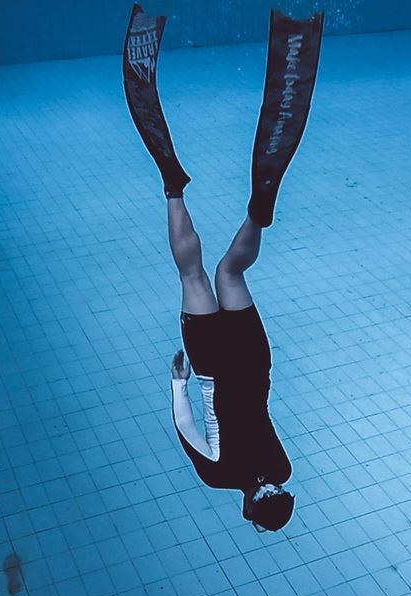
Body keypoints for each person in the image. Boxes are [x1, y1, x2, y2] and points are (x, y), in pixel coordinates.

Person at [122, 4, 323, 532]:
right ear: (248, 509)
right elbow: (186, 427)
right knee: (193, 277)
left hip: (254, 362)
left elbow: (256, 444)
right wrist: (177, 384)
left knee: (231, 273)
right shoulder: (219, 475)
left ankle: (261, 203)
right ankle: (172, 182)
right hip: (213, 367)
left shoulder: (282, 467)